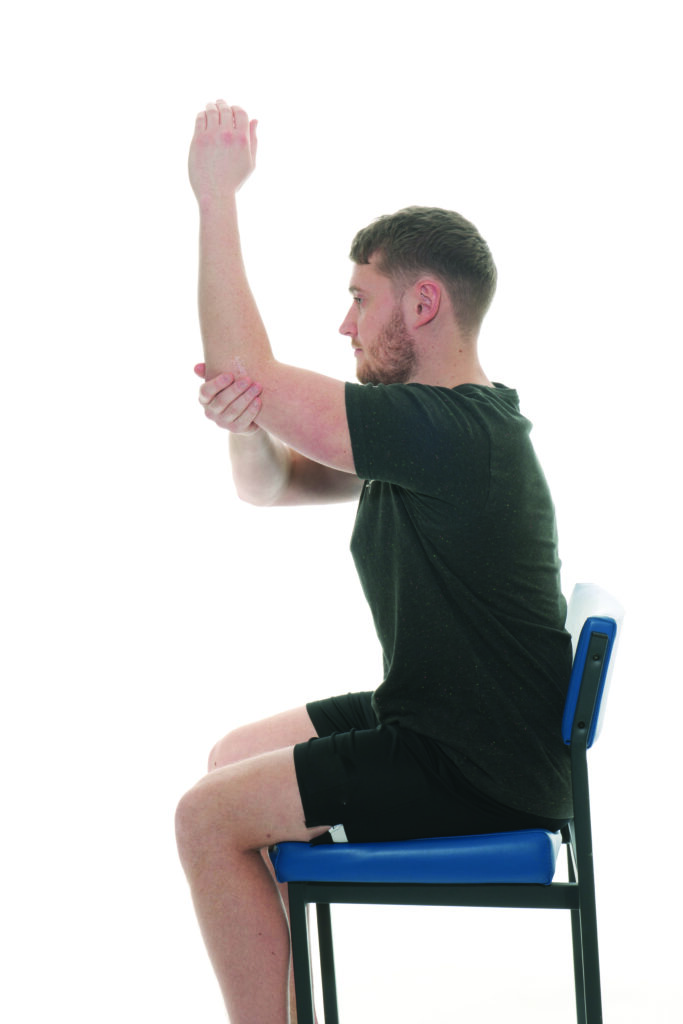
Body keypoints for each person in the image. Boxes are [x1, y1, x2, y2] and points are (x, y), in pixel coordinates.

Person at [175, 100, 573, 1024]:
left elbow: (244, 363)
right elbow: (268, 485)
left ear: (422, 304)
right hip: (440, 721)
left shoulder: (449, 432)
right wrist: (244, 421)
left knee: (205, 817)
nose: (344, 324)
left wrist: (215, 196)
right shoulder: (429, 435)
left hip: (472, 767)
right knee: (232, 762)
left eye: (360, 298)